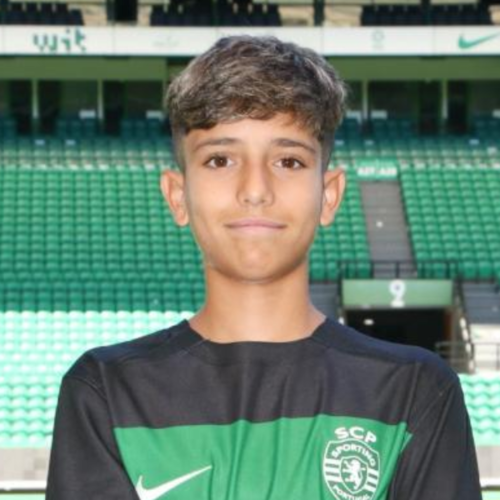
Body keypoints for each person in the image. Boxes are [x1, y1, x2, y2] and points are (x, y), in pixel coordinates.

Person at [46, 35, 481, 500]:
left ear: (328, 195)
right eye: (220, 160)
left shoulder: (413, 392)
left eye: (289, 161)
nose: (255, 189)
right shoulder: (107, 391)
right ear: (177, 195)